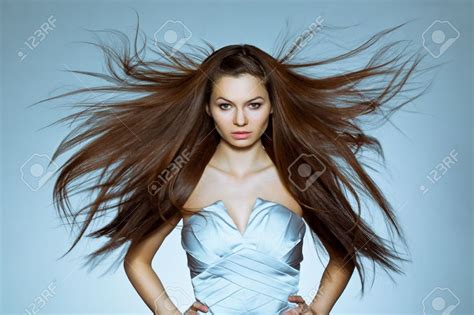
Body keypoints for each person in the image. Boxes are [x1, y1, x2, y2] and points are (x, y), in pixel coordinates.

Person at [38, 18, 433, 315]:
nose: (240, 120)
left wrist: (316, 309)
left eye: (253, 105)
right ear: (209, 109)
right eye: (226, 105)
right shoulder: (184, 179)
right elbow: (136, 260)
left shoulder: (298, 176)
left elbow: (344, 254)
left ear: (272, 106)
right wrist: (169, 312)